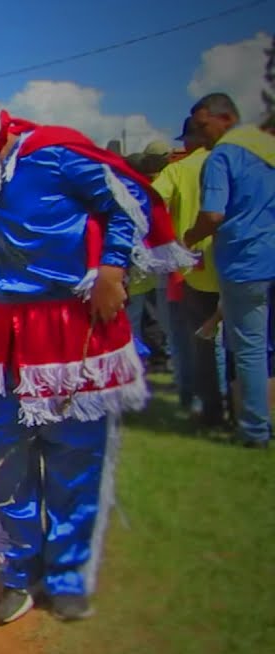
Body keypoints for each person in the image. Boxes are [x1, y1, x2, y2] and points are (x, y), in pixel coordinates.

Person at [0, 45, 193, 625]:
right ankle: (18, 574)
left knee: (75, 457)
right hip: (1, 336)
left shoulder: (54, 151)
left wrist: (111, 269)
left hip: (72, 330)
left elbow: (124, 204)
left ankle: (67, 575)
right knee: (6, 460)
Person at [183, 92, 275, 449]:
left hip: (246, 261)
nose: (200, 134)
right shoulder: (266, 146)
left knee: (248, 348)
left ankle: (254, 430)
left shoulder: (223, 155)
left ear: (225, 118)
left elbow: (214, 214)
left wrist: (189, 238)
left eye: (203, 125)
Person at [155, 118, 221, 424]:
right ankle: (233, 403)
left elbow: (148, 201)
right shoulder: (234, 161)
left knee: (190, 337)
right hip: (233, 262)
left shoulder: (178, 170)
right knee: (231, 340)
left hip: (190, 265)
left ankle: (197, 401)